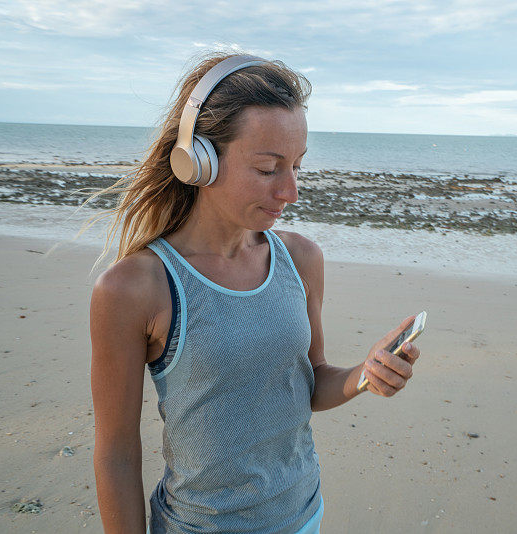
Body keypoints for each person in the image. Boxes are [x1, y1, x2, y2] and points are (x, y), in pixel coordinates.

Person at [89, 53, 422, 534]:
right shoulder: (135, 287)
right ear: (198, 160)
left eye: (297, 167)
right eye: (268, 169)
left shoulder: (301, 259)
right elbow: (117, 452)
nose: (291, 191)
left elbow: (311, 384)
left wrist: (364, 375)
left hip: (305, 515)